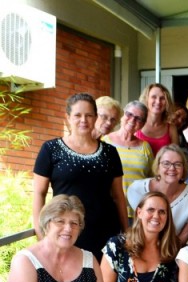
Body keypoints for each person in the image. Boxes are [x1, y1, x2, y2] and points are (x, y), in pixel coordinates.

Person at [33, 93, 128, 260]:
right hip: (66, 231)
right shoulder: (50, 149)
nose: (83, 120)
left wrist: (127, 233)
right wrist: (42, 234)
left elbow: (119, 197)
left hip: (105, 233)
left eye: (89, 115)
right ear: (68, 117)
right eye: (77, 115)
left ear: (95, 118)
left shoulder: (110, 153)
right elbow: (39, 194)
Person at [127, 144, 188, 245]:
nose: (172, 168)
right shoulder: (136, 189)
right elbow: (133, 225)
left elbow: (186, 232)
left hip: (172, 251)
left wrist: (168, 256)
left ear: (184, 168)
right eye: (166, 163)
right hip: (139, 246)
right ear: (157, 167)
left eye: (178, 164)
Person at [102, 100, 154, 219]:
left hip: (138, 211)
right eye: (129, 114)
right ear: (122, 116)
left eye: (138, 118)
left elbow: (152, 179)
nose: (132, 120)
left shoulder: (145, 147)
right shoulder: (105, 141)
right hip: (110, 210)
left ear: (143, 124)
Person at [137, 83, 179, 155]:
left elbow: (175, 156)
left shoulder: (171, 129)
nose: (158, 102)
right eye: (154, 97)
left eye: (162, 98)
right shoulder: (136, 125)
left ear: (167, 102)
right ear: (146, 99)